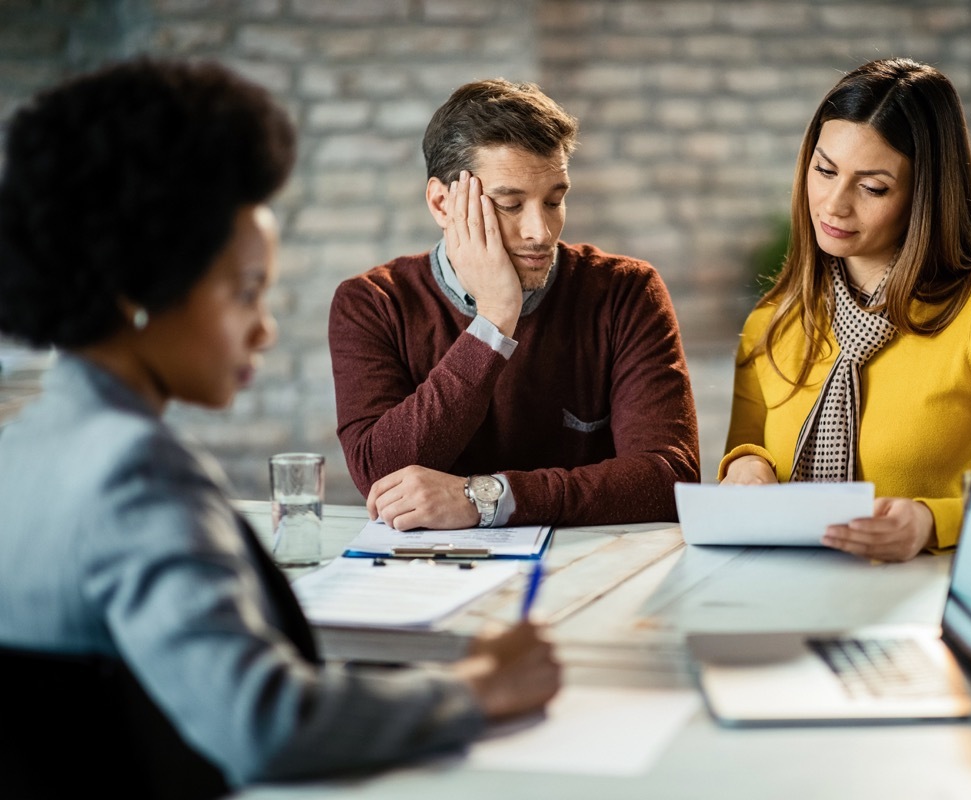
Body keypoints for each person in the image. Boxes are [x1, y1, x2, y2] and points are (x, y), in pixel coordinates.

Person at [0, 59, 559, 795]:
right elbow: (264, 722)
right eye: (245, 292)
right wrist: (477, 687)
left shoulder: (25, 446)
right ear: (138, 292)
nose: (263, 331)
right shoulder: (136, 475)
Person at [720, 58, 971, 562]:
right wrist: (745, 468)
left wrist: (930, 522)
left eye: (872, 186)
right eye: (824, 169)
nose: (834, 204)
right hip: (784, 597)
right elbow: (742, 458)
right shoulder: (771, 321)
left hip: (924, 608)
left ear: (923, 195)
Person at [328, 79, 700, 532]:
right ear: (442, 204)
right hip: (430, 578)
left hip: (588, 576)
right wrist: (494, 321)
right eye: (509, 204)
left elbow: (669, 477)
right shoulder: (373, 303)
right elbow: (381, 477)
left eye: (555, 201)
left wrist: (486, 499)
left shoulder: (626, 292)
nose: (540, 232)